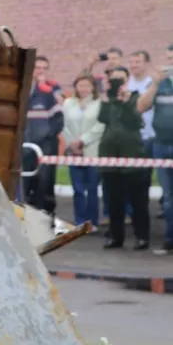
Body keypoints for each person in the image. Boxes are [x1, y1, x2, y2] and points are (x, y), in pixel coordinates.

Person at [98, 66, 151, 250]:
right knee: (114, 200)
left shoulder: (135, 98)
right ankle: (115, 236)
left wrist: (126, 100)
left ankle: (142, 236)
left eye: (121, 79)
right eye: (114, 79)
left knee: (138, 200)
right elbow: (102, 119)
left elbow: (137, 121)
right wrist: (105, 98)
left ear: (127, 81)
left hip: (132, 154)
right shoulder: (108, 100)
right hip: (110, 155)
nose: (117, 83)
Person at [137, 45, 173, 253]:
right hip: (162, 145)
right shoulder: (160, 84)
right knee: (168, 198)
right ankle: (170, 239)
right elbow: (141, 107)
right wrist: (154, 84)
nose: (170, 63)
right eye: (168, 59)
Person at [62, 73, 104, 231]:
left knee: (92, 188)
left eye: (87, 85)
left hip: (92, 151)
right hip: (74, 152)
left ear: (93, 88)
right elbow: (64, 125)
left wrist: (83, 140)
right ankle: (79, 221)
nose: (84, 89)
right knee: (78, 189)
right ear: (76, 87)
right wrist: (72, 143)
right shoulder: (68, 103)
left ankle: (92, 221)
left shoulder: (99, 104)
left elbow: (100, 127)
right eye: (81, 85)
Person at [23, 55, 64, 216]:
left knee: (45, 181)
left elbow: (59, 120)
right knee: (25, 180)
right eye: (37, 67)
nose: (41, 71)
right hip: (25, 145)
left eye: (44, 68)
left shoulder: (49, 92)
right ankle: (26, 213)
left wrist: (47, 136)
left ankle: (46, 214)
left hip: (45, 146)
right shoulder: (23, 90)